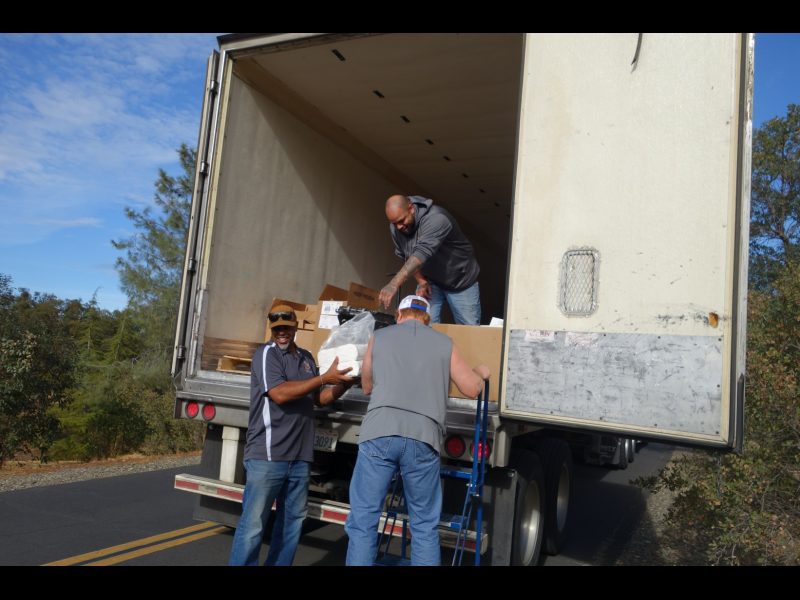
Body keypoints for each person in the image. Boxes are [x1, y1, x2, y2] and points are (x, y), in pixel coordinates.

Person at [344, 295, 490, 566]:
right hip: (424, 437)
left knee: (363, 520)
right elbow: (471, 388)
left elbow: (366, 385)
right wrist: (480, 372)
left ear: (399, 315)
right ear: (427, 318)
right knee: (424, 526)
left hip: (380, 433)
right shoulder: (444, 343)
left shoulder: (381, 336)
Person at [229, 305, 355, 566]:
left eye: (286, 327)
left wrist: (342, 383)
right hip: (268, 455)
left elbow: (319, 399)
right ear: (272, 330)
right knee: (253, 527)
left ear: (296, 326)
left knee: (291, 526)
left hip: (300, 458)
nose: (282, 333)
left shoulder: (307, 358)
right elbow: (279, 393)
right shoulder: (266, 355)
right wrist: (323, 378)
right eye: (277, 329)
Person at [380, 194, 481, 325]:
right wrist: (422, 282)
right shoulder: (396, 228)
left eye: (401, 221)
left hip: (460, 281)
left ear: (411, 208)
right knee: (423, 325)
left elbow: (420, 254)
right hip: (432, 282)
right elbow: (407, 256)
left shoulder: (437, 219)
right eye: (394, 223)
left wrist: (393, 284)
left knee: (469, 331)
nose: (398, 227)